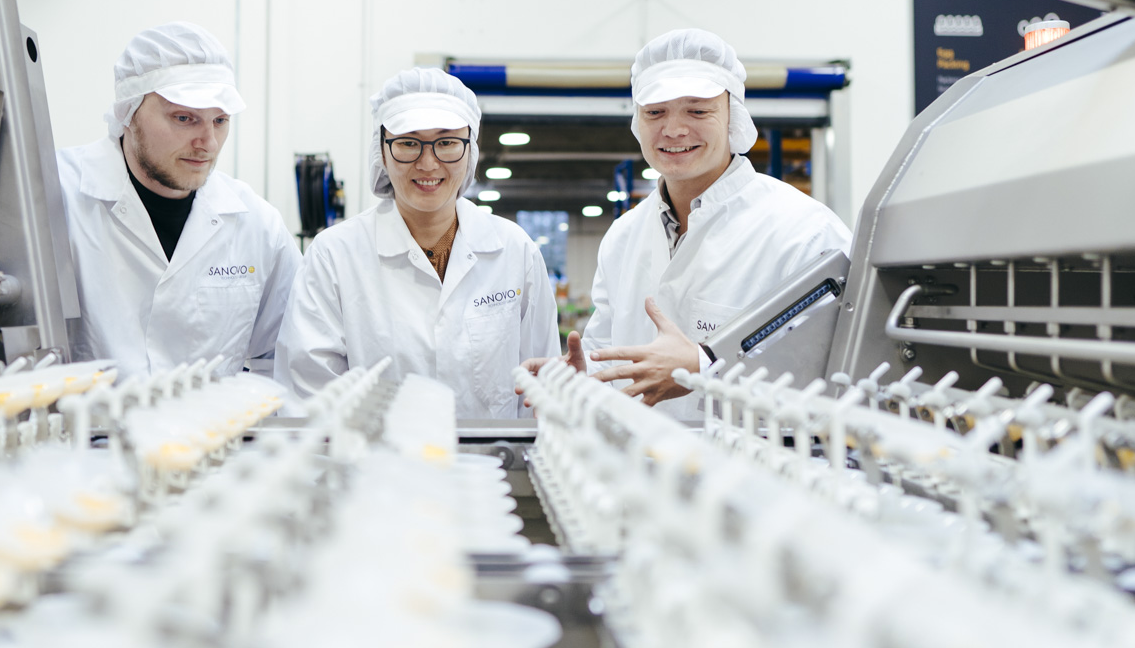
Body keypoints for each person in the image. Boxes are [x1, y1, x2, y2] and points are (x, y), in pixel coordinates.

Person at [527, 28, 850, 419]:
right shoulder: (623, 237)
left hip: (754, 455)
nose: (674, 129)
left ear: (732, 116)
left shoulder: (805, 232)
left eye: (697, 110)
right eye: (655, 112)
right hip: (639, 453)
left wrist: (705, 370)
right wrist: (584, 379)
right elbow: (610, 354)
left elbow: (840, 376)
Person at [275, 68, 560, 417]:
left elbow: (541, 389)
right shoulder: (334, 255)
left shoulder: (515, 251)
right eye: (408, 143)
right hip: (373, 453)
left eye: (447, 142)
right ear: (382, 150)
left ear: (470, 149)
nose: (428, 163)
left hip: (496, 453)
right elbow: (309, 399)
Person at [56, 22, 300, 380]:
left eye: (220, 120)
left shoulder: (258, 225)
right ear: (128, 112)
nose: (209, 143)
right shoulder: (54, 193)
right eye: (184, 118)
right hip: (85, 417)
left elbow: (285, 358)